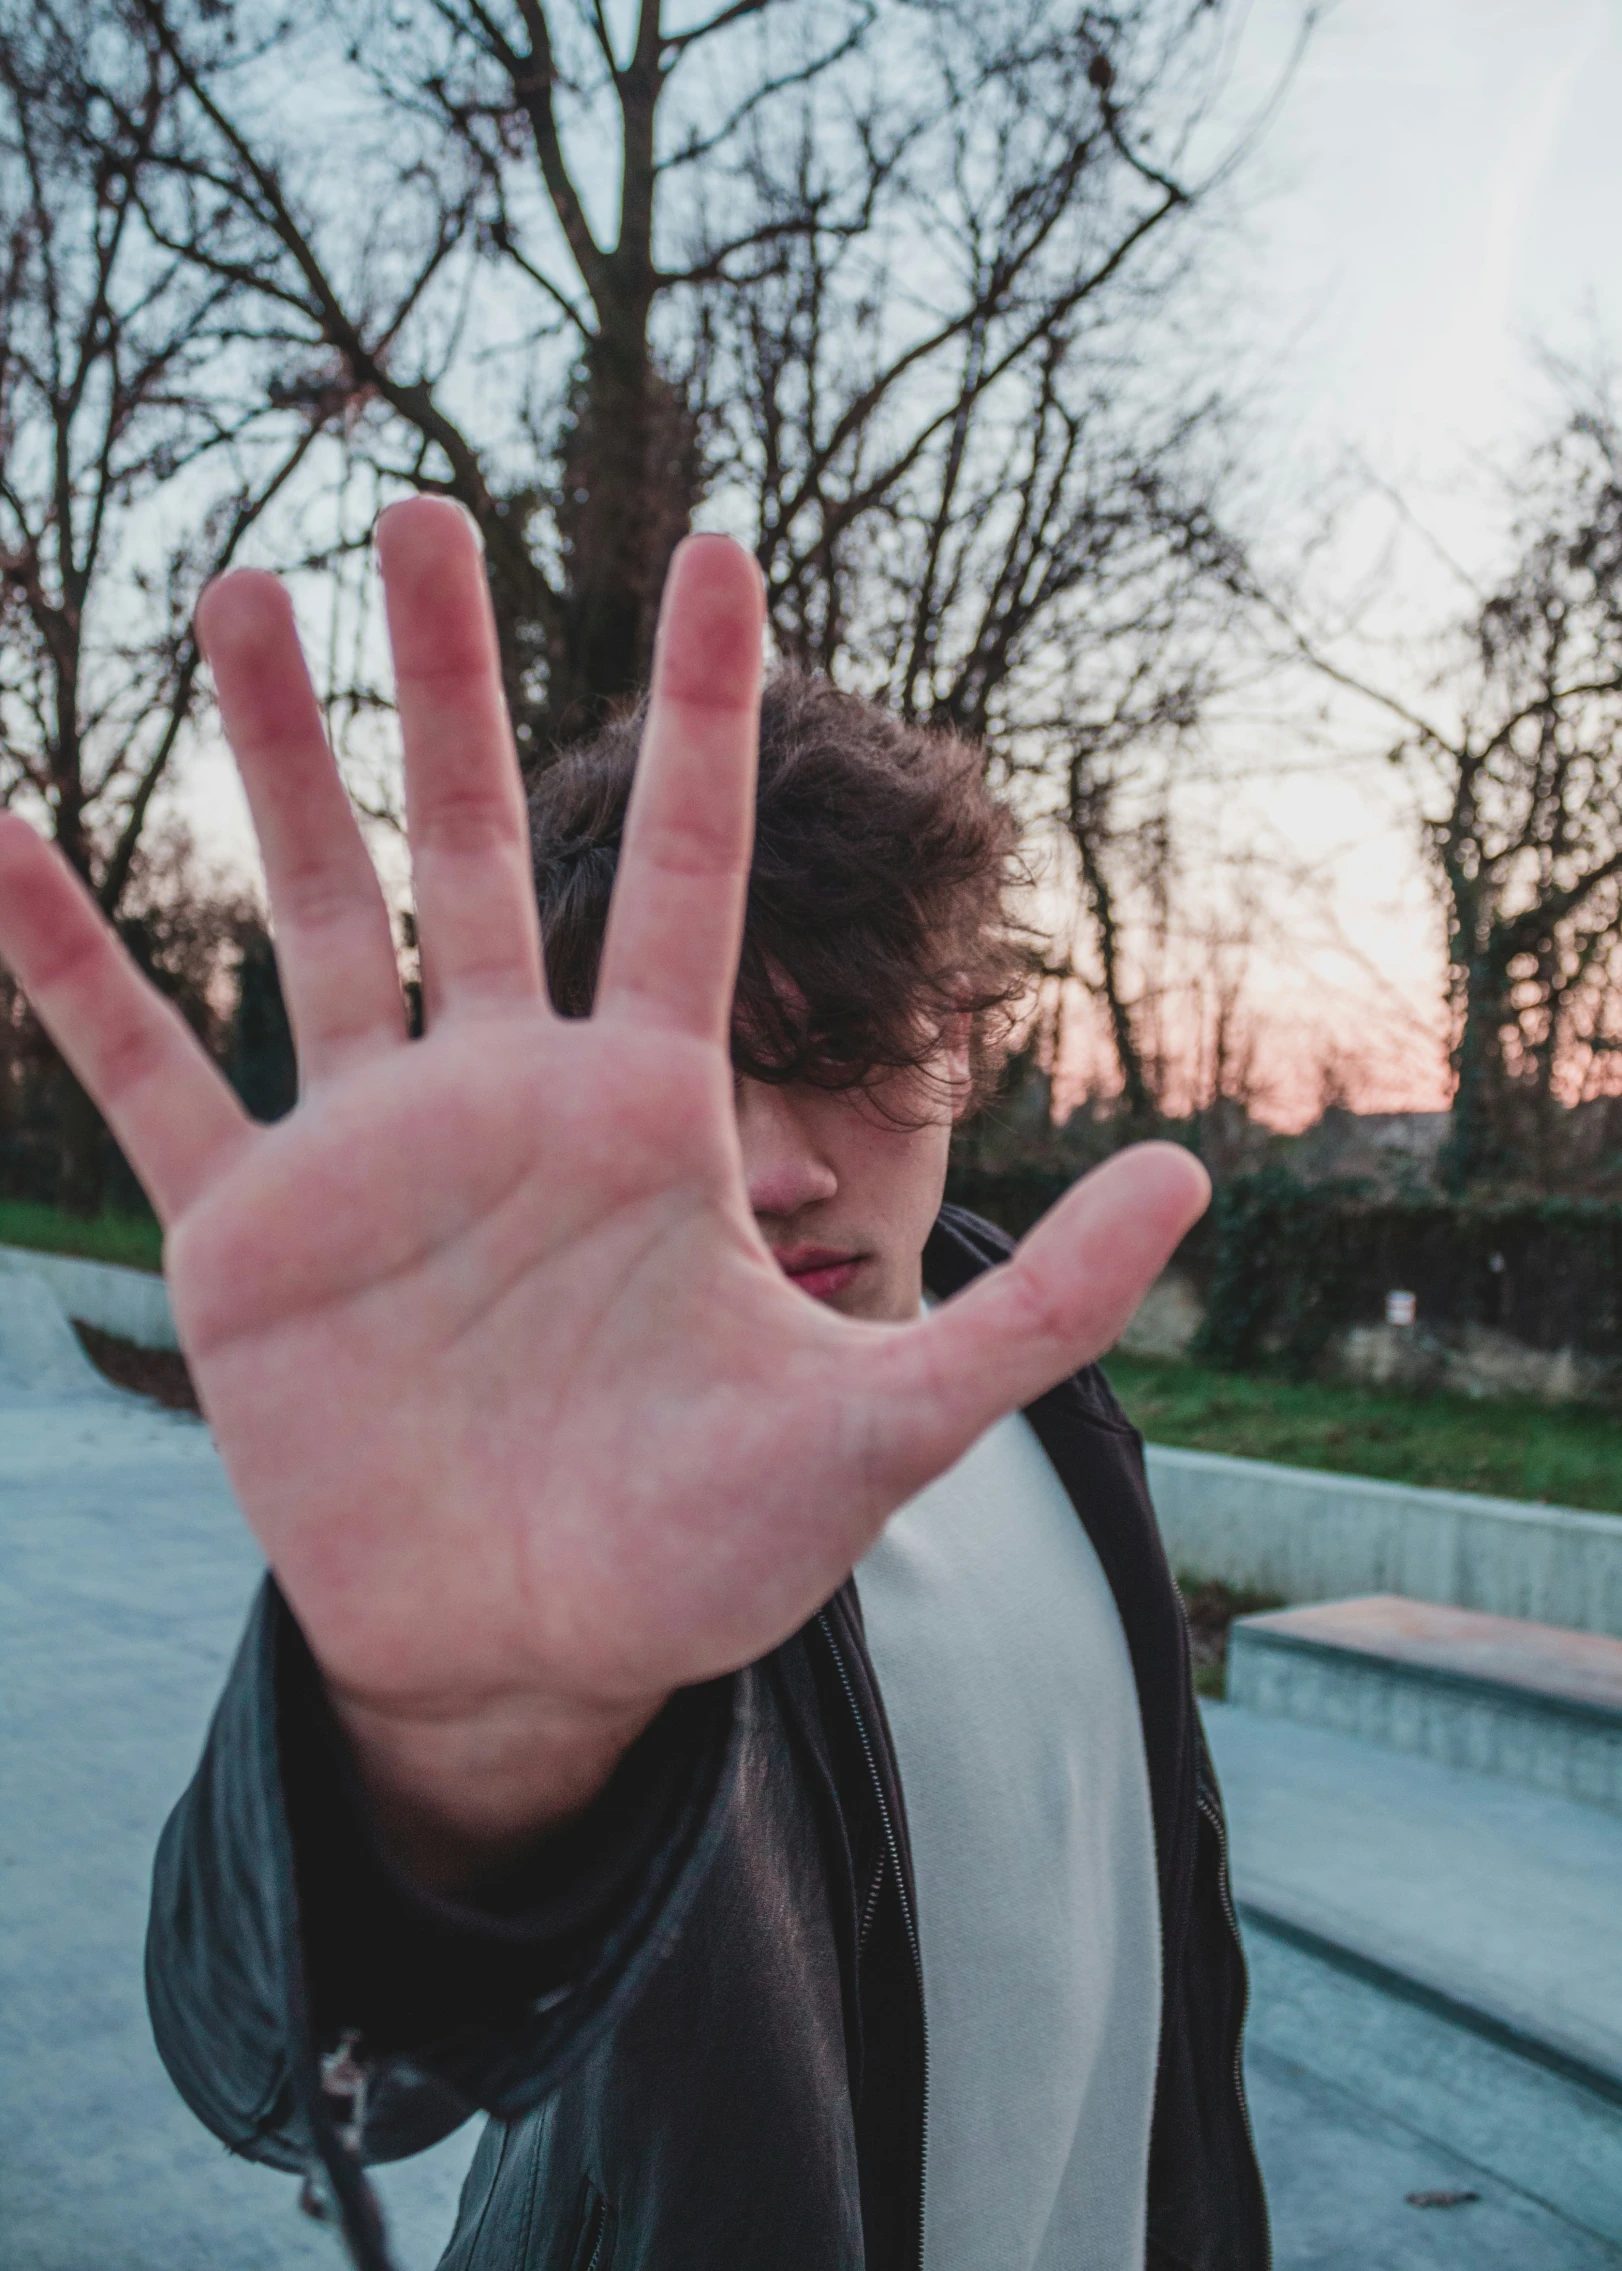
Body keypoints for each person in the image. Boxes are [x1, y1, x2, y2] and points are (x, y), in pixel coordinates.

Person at [0, 502, 1266, 2271]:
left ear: (961, 1028)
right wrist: (439, 1770)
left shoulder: (1048, 1390)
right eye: (693, 1087)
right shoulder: (609, 1475)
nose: (773, 1170)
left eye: (836, 1055)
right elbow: (283, 2072)